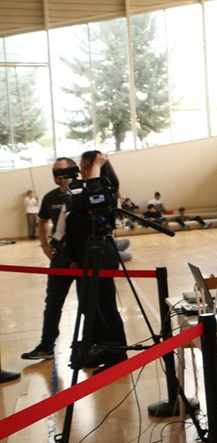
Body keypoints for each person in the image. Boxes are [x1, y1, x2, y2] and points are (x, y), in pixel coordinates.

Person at [57, 151, 129, 374]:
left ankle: (117, 354)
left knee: (105, 307)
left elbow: (96, 202)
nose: (82, 172)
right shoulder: (82, 192)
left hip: (101, 257)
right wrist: (72, 257)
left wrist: (98, 165)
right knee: (90, 308)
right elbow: (74, 227)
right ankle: (97, 349)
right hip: (84, 257)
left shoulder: (105, 192)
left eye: (86, 167)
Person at [21, 158, 79, 361]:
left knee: (89, 304)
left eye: (61, 171)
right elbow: (43, 221)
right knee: (53, 303)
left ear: (73, 171)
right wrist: (45, 245)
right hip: (59, 258)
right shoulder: (50, 197)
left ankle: (92, 345)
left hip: (82, 258)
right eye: (54, 171)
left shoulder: (82, 193)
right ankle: (46, 345)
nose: (57, 175)